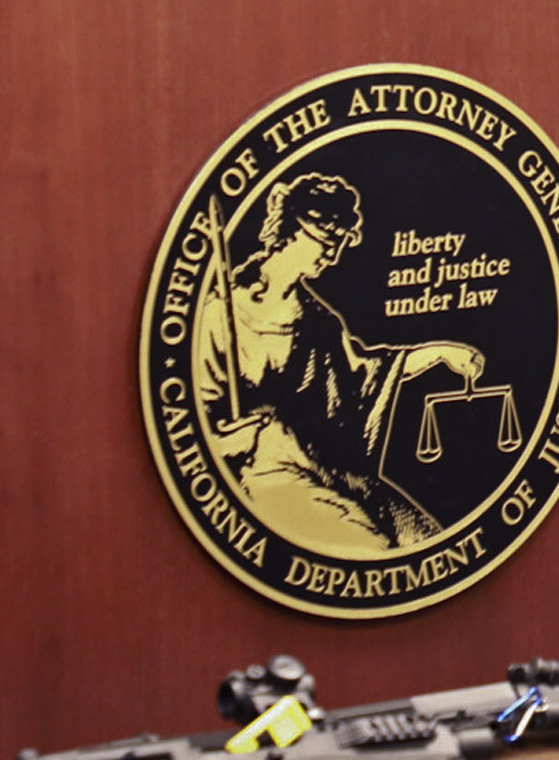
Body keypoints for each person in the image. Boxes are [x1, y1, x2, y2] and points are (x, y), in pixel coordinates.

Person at [195, 172, 486, 553]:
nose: (332, 255)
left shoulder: (318, 322)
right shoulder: (221, 315)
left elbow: (367, 374)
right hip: (268, 476)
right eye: (326, 241)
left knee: (429, 541)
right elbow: (195, 423)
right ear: (294, 229)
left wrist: (438, 354)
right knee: (374, 548)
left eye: (339, 244)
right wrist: (230, 438)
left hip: (331, 470)